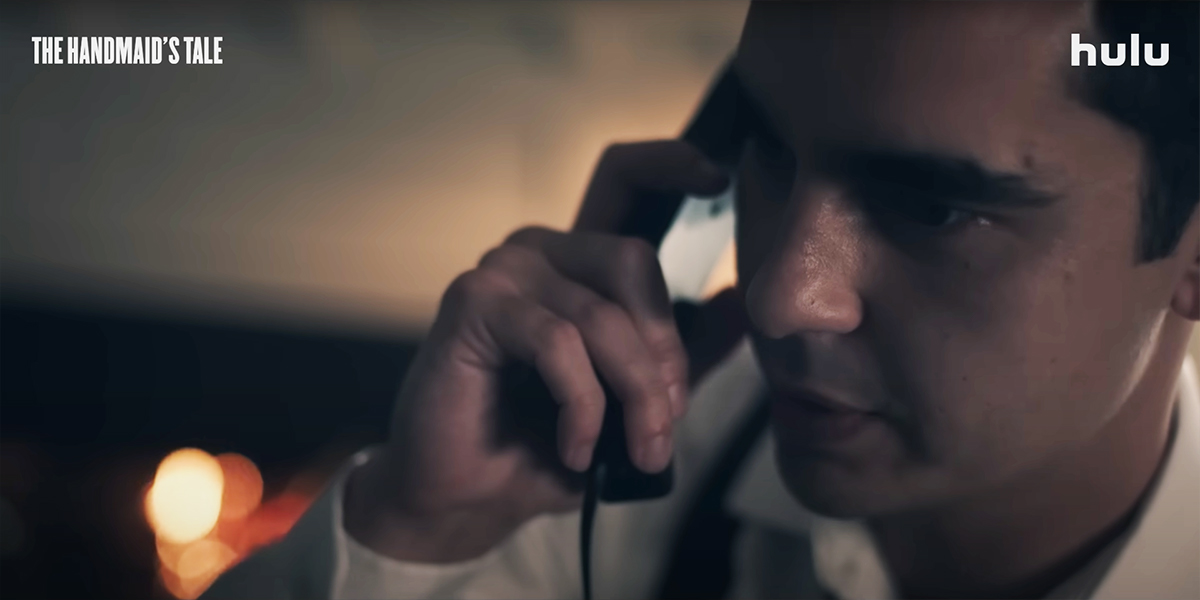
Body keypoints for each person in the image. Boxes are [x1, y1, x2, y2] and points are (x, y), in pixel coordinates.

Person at [204, 1, 1199, 598]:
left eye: (933, 208)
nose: (777, 297)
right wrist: (421, 531)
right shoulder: (605, 475)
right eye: (765, 147)